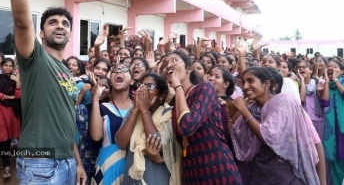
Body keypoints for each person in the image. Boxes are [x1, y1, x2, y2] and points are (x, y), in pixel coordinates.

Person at [10, 0, 86, 185]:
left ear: (70, 33)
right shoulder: (36, 59)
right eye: (52, 22)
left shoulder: (66, 70)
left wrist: (76, 162)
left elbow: (66, 120)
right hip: (40, 162)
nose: (60, 25)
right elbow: (22, 22)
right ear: (41, 32)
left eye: (65, 23)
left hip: (65, 161)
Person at [161, 51, 242, 184]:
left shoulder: (205, 88)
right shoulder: (177, 104)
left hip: (217, 170)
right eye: (165, 64)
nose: (169, 65)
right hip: (192, 173)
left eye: (174, 61)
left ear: (189, 68)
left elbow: (188, 126)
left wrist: (178, 87)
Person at [231, 66, 320, 185]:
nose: (245, 86)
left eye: (251, 81)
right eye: (243, 82)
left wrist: (243, 109)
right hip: (260, 174)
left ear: (266, 84)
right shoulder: (253, 109)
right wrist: (239, 109)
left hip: (286, 175)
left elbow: (267, 136)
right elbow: (234, 134)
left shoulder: (284, 101)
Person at [116, 73, 181, 185]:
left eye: (149, 86)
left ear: (161, 95)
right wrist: (136, 109)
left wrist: (145, 110)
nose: (144, 90)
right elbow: (121, 142)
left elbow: (158, 144)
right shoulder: (133, 112)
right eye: (141, 86)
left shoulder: (169, 113)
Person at [89, 64, 134, 184]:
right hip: (107, 166)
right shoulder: (102, 107)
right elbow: (96, 136)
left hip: (134, 165)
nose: (118, 71)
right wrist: (96, 98)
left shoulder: (140, 107)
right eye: (114, 70)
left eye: (124, 70)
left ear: (132, 80)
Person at [0, 58, 21, 179]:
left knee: (9, 137)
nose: (8, 67)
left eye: (10, 66)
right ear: (2, 66)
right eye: (5, 65)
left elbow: (18, 96)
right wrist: (7, 96)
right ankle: (7, 166)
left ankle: (5, 159)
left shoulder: (14, 79)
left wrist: (17, 82)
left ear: (13, 67)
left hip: (12, 112)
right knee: (2, 138)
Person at [324, 59, 344, 185]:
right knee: (336, 161)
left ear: (342, 71)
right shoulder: (325, 84)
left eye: (334, 67)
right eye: (329, 66)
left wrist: (336, 81)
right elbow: (324, 103)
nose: (331, 68)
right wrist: (326, 82)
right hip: (332, 129)